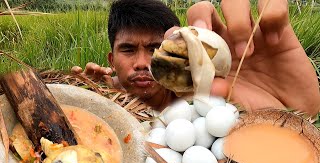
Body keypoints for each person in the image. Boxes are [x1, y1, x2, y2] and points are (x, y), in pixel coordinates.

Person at [72, 0, 320, 116]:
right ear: (111, 61)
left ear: (185, 56)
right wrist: (90, 89)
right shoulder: (101, 90)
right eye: (128, 50)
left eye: (156, 49)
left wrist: (299, 111)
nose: (141, 62)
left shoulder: (205, 100)